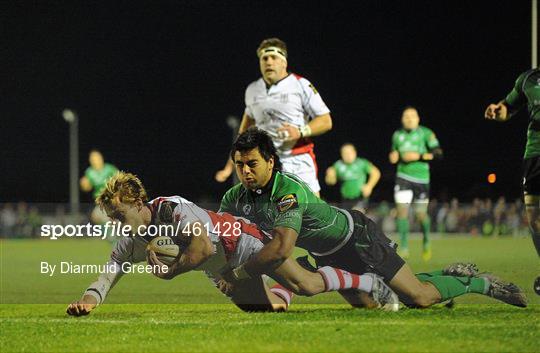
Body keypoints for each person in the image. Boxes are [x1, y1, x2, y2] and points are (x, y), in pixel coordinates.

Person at [219, 128, 527, 309]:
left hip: (356, 237)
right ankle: (444, 272)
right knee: (371, 306)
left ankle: (475, 282)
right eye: (240, 165)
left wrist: (239, 274)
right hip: (326, 254)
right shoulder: (235, 198)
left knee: (416, 298)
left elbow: (282, 250)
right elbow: (220, 234)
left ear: (271, 162)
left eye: (252, 163)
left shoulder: (288, 190)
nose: (245, 171)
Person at [66, 172, 398, 316]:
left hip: (241, 242)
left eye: (120, 215)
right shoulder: (131, 242)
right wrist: (88, 302)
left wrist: (171, 272)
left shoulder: (172, 210)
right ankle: (283, 287)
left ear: (139, 202)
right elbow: (106, 276)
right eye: (113, 219)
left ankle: (370, 282)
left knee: (307, 285)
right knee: (266, 312)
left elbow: (203, 249)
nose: (118, 224)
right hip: (220, 267)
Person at [215, 38, 332, 196]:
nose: (269, 62)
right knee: (265, 216)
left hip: (297, 158)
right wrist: (230, 167)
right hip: (266, 162)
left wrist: (300, 131)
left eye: (274, 57)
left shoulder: (301, 85)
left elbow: (326, 120)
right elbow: (243, 134)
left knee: (312, 214)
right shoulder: (252, 89)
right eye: (264, 58)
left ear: (284, 62)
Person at [484, 68, 540, 293]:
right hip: (534, 155)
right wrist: (500, 111)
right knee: (534, 218)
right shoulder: (528, 79)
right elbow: (509, 105)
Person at [389, 106, 443, 261]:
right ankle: (404, 247)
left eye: (412, 116)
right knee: (402, 212)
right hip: (403, 177)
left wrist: (419, 156)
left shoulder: (426, 133)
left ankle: (426, 240)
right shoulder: (397, 135)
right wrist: (394, 156)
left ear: (418, 119)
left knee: (420, 215)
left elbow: (438, 154)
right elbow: (394, 153)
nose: (409, 119)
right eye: (406, 116)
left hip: (421, 179)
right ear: (402, 119)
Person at [325, 143, 381, 211]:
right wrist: (330, 176)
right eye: (345, 153)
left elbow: (376, 173)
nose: (348, 155)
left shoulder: (362, 163)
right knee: (347, 218)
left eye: (350, 153)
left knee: (357, 215)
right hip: (345, 199)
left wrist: (369, 186)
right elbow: (331, 182)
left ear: (355, 153)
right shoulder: (338, 165)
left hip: (360, 197)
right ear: (341, 154)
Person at [80, 149, 118, 224]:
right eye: (92, 158)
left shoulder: (109, 169)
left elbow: (120, 180)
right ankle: (110, 234)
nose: (94, 160)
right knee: (96, 217)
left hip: (112, 200)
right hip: (100, 202)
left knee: (101, 216)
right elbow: (87, 188)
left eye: (96, 158)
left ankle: (116, 232)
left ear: (101, 158)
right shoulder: (90, 172)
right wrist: (84, 185)